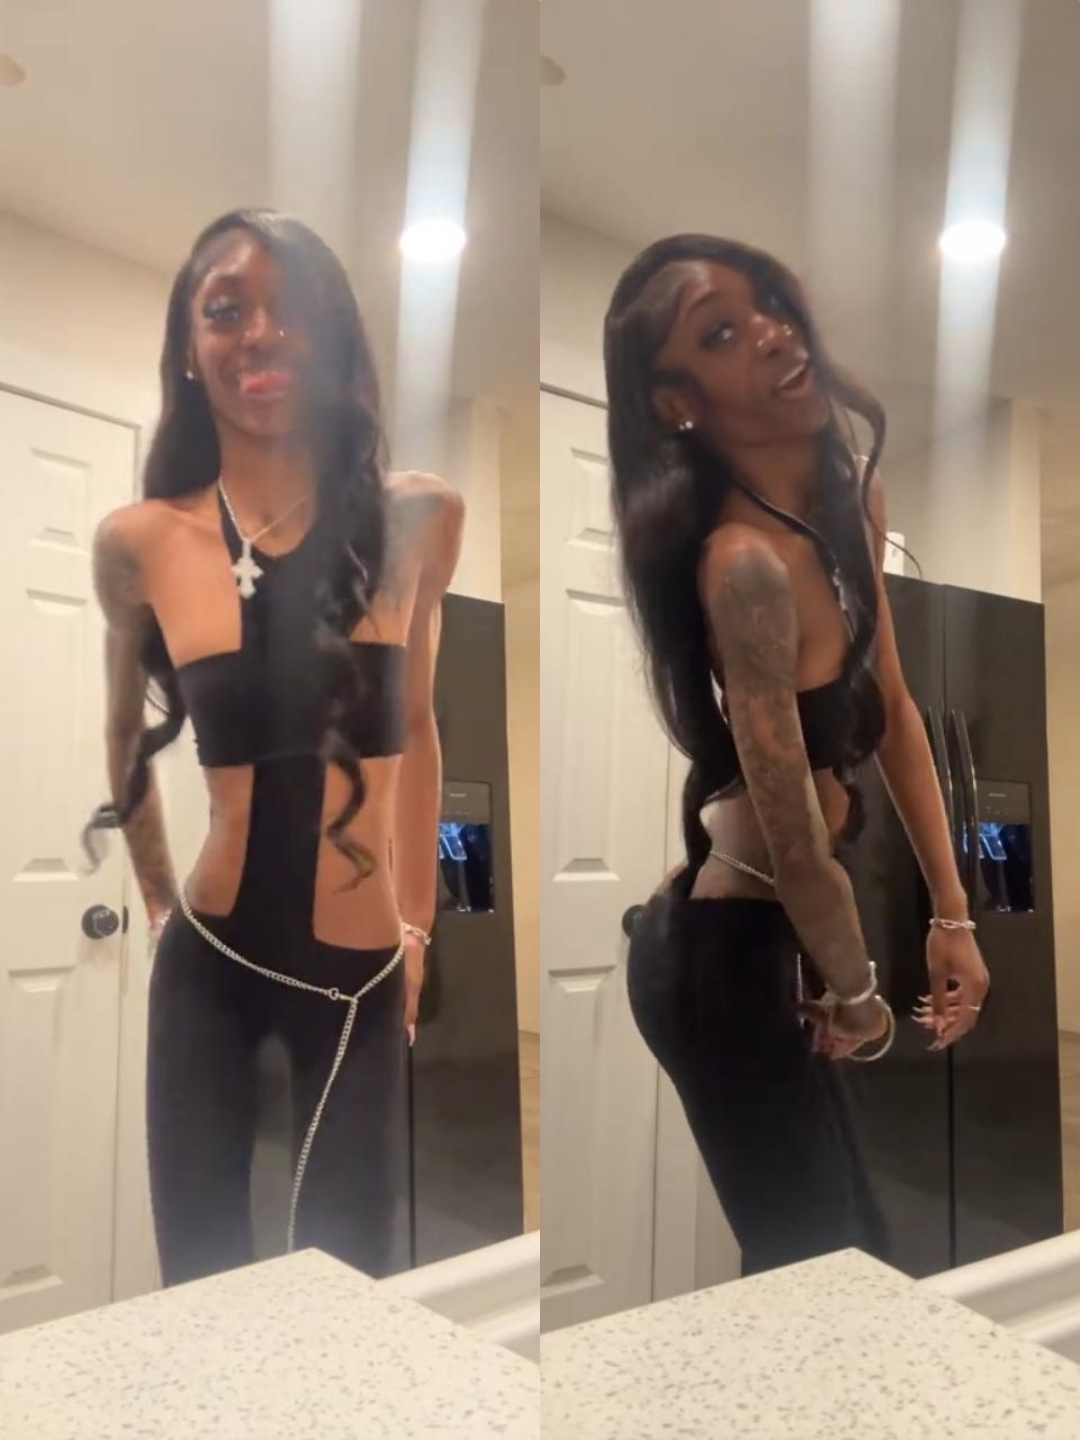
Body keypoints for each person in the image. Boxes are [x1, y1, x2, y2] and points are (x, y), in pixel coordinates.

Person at [85, 209, 463, 1286]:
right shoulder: (141, 541)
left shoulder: (420, 518)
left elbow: (419, 725)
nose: (259, 333)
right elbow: (122, 736)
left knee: (349, 1286)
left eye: (290, 309)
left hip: (363, 976)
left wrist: (420, 923)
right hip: (212, 973)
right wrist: (159, 906)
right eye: (226, 310)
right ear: (189, 348)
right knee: (203, 1283)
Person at [604, 234, 990, 1276]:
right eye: (721, 333)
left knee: (847, 1260)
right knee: (818, 1271)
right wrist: (860, 993)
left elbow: (895, 707)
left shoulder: (849, 500)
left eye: (768, 302)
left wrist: (954, 914)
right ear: (676, 403)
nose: (773, 332)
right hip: (728, 955)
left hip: (786, 932)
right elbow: (795, 842)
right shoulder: (743, 567)